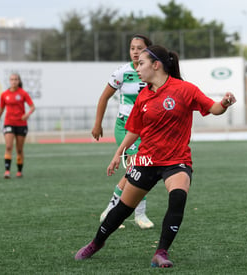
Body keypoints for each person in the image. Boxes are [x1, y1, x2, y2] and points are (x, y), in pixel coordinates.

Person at [75, 45, 236, 267]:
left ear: (156, 65)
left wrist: (225, 103)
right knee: (123, 209)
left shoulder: (185, 89)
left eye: (141, 63)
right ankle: (96, 242)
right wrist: (117, 153)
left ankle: (161, 252)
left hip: (176, 160)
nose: (137, 68)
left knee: (178, 196)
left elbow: (214, 108)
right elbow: (134, 129)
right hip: (147, 160)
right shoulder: (143, 96)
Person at [92, 34, 155, 229]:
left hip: (147, 129)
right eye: (132, 48)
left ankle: (111, 210)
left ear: (147, 51)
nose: (135, 51)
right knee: (138, 168)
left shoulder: (153, 71)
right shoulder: (122, 72)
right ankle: (140, 214)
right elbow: (103, 98)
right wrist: (97, 124)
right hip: (126, 127)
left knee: (141, 169)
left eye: (139, 48)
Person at [0, 73, 35, 179]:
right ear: (9, 81)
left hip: (21, 124)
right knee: (8, 146)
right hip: (9, 122)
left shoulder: (23, 93)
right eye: (12, 79)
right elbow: (1, 108)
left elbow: (32, 107)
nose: (14, 81)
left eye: (16, 79)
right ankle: (7, 171)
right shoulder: (4, 94)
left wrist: (27, 114)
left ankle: (19, 171)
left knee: (19, 149)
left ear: (19, 81)